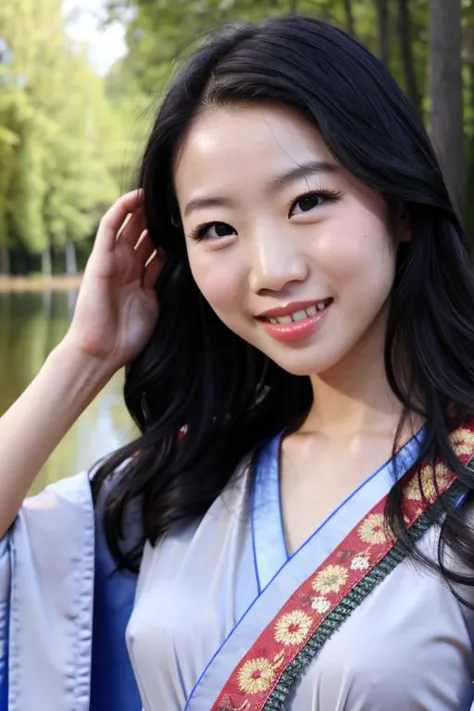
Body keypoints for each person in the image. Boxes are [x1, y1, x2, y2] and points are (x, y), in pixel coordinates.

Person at [1, 13, 474, 711]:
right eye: (217, 228)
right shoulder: (185, 478)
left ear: (400, 203)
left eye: (309, 201)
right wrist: (85, 356)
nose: (271, 269)